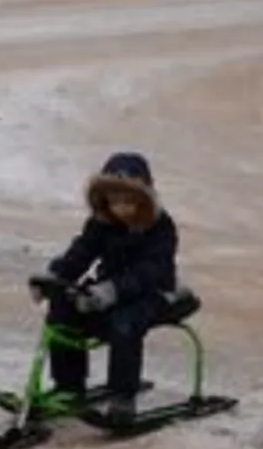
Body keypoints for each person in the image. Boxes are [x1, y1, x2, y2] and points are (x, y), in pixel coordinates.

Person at [39, 151, 179, 428]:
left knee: (124, 325)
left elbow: (151, 271)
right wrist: (55, 277)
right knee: (63, 308)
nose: (121, 208)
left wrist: (113, 290)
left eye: (130, 201)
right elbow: (82, 252)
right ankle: (68, 384)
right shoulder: (102, 224)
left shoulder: (160, 228)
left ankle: (123, 397)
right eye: (115, 201)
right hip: (106, 288)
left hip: (151, 294)